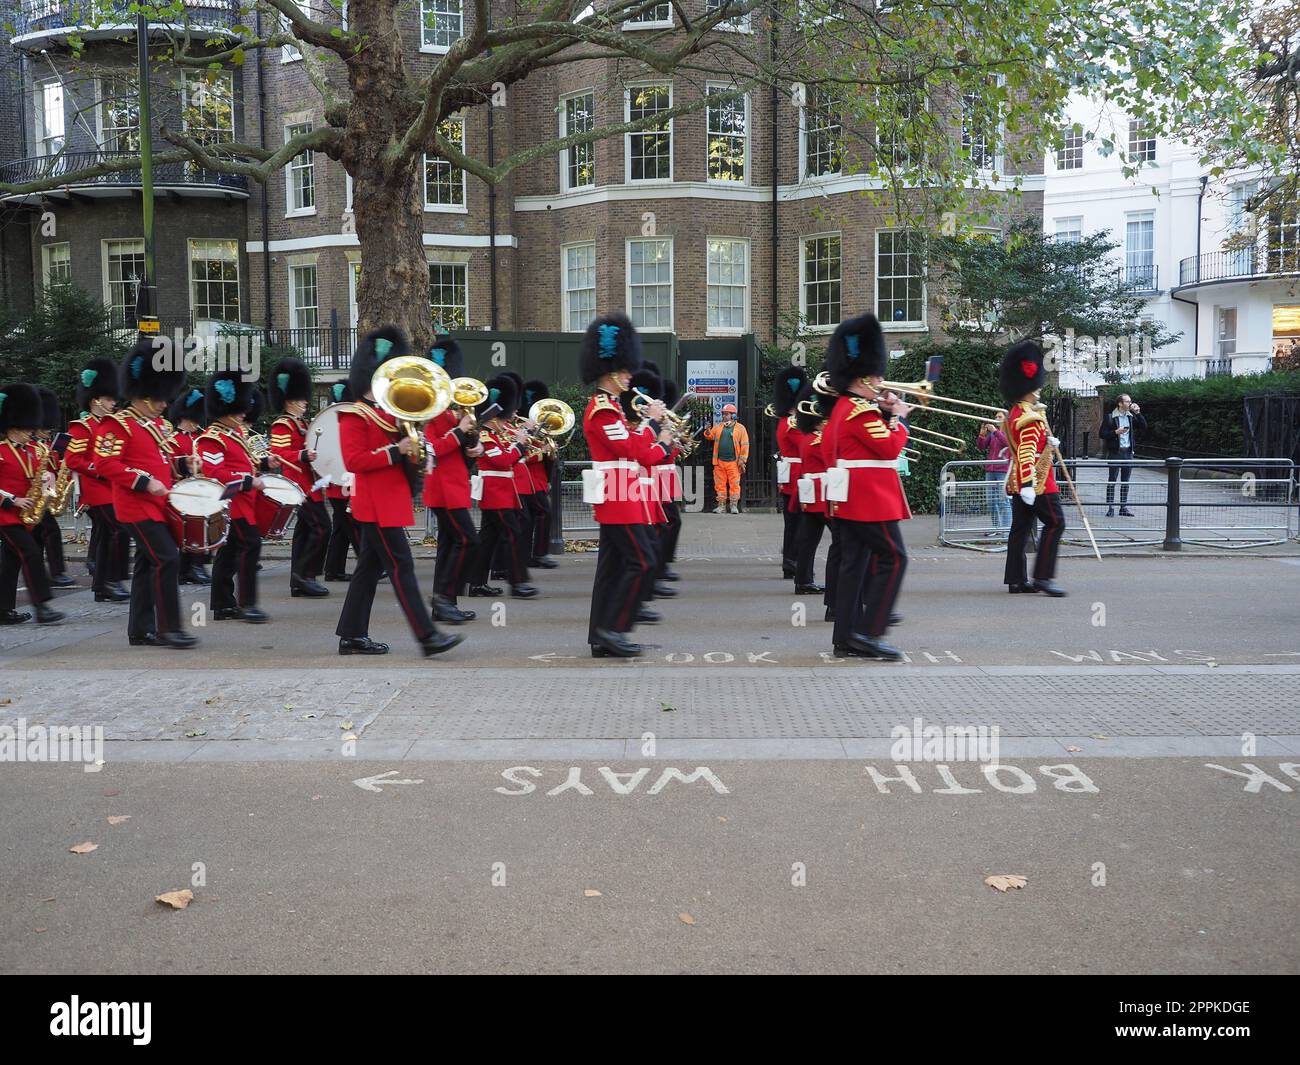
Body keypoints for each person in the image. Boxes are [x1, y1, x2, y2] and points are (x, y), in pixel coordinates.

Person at [333, 326, 463, 657]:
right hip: (375, 505)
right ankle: (427, 636)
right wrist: (397, 450)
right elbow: (356, 461)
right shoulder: (353, 414)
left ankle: (351, 634)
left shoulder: (388, 414)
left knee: (369, 568)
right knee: (401, 566)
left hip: (390, 501)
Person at [91, 343, 197, 648]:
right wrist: (143, 482)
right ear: (144, 394)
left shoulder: (157, 425)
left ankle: (140, 629)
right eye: (160, 398)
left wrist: (182, 464)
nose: (166, 404)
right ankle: (168, 628)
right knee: (167, 559)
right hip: (135, 505)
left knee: (147, 564)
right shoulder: (117, 424)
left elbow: (159, 460)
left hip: (158, 504)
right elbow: (105, 463)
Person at [580, 311, 674, 658]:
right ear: (610, 371)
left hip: (624, 493)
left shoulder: (614, 409)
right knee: (643, 560)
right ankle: (614, 629)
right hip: (619, 495)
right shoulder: (602, 410)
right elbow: (633, 450)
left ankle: (600, 636)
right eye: (624, 370)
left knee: (612, 567)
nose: (629, 375)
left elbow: (630, 445)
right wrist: (654, 429)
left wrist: (651, 429)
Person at [823, 314, 911, 660]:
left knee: (854, 565)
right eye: (877, 375)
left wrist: (887, 414)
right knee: (895, 557)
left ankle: (846, 637)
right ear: (863, 377)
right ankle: (871, 631)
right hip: (869, 499)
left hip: (854, 499)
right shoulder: (859, 411)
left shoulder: (848, 408)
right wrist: (900, 417)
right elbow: (889, 447)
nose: (881, 380)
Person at [197, 371, 275, 623]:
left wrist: (263, 463)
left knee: (229, 553)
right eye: (239, 409)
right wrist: (249, 481)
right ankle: (246, 603)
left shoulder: (234, 434)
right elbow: (215, 472)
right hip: (231, 504)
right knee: (250, 545)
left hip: (245, 502)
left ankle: (222, 604)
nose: (244, 414)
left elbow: (244, 463)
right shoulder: (212, 439)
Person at [1000, 340, 1067, 597]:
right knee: (1056, 522)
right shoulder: (1031, 417)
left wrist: (1049, 445)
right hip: (1037, 482)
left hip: (1019, 480)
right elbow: (1027, 452)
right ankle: (1043, 577)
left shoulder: (1015, 412)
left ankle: (1016, 580)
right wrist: (1030, 485)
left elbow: (1021, 447)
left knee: (1019, 530)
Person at [423, 337, 481, 624]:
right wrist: (459, 431)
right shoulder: (429, 412)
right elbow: (432, 448)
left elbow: (460, 453)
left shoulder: (452, 412)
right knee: (467, 540)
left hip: (455, 486)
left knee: (449, 544)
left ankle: (445, 603)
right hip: (443, 489)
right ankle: (444, 598)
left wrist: (474, 445)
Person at [466, 375, 538, 599]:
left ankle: (476, 584)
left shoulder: (498, 435)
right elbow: (502, 461)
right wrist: (519, 443)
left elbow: (512, 458)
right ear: (495, 416)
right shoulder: (486, 436)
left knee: (488, 541)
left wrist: (525, 438)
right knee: (513, 536)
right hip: (495, 493)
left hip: (502, 493)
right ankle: (518, 583)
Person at [65, 357, 131, 602]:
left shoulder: (112, 425)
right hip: (96, 491)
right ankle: (110, 580)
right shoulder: (82, 427)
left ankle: (102, 585)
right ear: (96, 400)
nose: (114, 403)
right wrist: (99, 469)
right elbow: (73, 460)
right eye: (109, 399)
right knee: (118, 530)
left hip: (112, 488)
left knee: (106, 536)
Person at [0, 382, 65, 626]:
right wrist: (12, 500)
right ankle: (42, 606)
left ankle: (3, 610)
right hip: (5, 516)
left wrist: (50, 482)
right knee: (31, 552)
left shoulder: (36, 451)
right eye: (27, 427)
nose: (32, 431)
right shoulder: (1, 451)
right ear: (13, 426)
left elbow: (44, 475)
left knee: (11, 560)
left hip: (27, 516)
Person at [268, 357, 331, 598]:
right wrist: (302, 455)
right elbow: (280, 454)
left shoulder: (302, 423)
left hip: (311, 484)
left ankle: (300, 579)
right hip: (300, 486)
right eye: (299, 398)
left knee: (305, 532)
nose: (305, 401)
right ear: (288, 400)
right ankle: (305, 575)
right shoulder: (283, 424)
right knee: (322, 527)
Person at [165, 386, 212, 585]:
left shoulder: (199, 438)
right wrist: (186, 464)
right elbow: (170, 465)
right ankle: (189, 568)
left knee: (202, 530)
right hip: (182, 489)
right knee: (188, 532)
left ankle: (194, 566)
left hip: (199, 488)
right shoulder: (174, 440)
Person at [34, 388, 76, 588]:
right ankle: (56, 573)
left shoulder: (44, 444)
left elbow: (52, 468)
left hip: (43, 493)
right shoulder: (32, 445)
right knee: (50, 531)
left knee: (38, 537)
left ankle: (40, 575)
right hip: (29, 496)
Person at [321, 381, 358, 581]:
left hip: (340, 483)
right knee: (353, 526)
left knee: (341, 530)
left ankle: (333, 570)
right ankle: (370, 563)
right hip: (341, 483)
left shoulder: (333, 425)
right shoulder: (335, 426)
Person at [520, 379, 559, 570]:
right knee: (541, 513)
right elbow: (522, 456)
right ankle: (535, 555)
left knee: (537, 516)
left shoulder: (539, 430)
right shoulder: (519, 428)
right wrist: (543, 451)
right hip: (525, 479)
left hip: (538, 479)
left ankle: (534, 554)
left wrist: (550, 452)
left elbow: (543, 455)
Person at [773, 366, 808, 577]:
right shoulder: (793, 423)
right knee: (799, 524)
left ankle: (791, 561)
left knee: (793, 523)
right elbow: (806, 445)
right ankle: (793, 562)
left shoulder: (785, 420)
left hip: (792, 474)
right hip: (798, 475)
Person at [1100, 393, 1147, 517]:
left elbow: (1144, 427)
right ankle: (1110, 508)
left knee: (1125, 481)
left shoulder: (1131, 417)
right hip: (1115, 452)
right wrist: (1116, 432)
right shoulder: (1110, 417)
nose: (1129, 404)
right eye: (1127, 401)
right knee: (1112, 480)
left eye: (1130, 401)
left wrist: (1138, 413)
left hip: (1128, 453)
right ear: (1120, 403)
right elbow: (1102, 434)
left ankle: (1123, 507)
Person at [701, 402, 749, 513]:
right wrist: (708, 430)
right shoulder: (719, 427)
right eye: (723, 414)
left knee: (734, 484)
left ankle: (733, 506)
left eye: (726, 414)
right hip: (719, 462)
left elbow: (745, 445)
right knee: (719, 484)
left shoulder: (741, 428)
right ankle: (721, 506)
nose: (723, 416)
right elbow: (710, 436)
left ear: (733, 416)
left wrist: (742, 460)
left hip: (734, 462)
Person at [976, 420, 1012, 529]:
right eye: (996, 416)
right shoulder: (992, 434)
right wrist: (982, 435)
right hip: (990, 470)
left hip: (1002, 470)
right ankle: (996, 528)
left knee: (1003, 501)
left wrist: (995, 431)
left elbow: (1007, 443)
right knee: (990, 501)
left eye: (999, 416)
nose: (996, 418)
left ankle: (1006, 531)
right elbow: (981, 446)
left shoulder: (1009, 432)